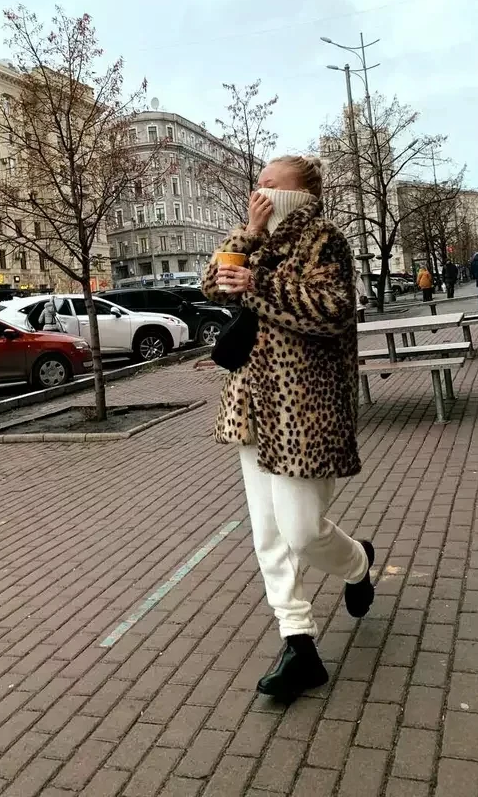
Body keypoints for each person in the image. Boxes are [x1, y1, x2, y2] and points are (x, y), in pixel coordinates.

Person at [201, 155, 374, 704]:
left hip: (305, 411)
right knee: (268, 534)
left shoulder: (324, 238)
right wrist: (247, 236)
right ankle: (298, 643)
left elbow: (332, 310)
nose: (260, 191)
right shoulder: (257, 239)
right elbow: (212, 286)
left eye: (270, 184)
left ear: (299, 192)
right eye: (257, 183)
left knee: (302, 531)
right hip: (252, 408)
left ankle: (358, 563)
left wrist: (257, 284)